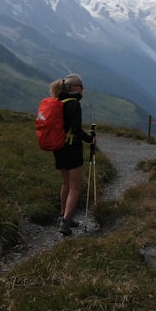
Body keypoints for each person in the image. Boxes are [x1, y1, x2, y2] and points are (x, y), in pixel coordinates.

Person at [51, 73, 96, 235]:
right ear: (73, 88)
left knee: (66, 184)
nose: (83, 89)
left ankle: (64, 215)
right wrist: (90, 139)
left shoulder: (58, 101)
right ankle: (66, 222)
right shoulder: (74, 104)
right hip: (71, 149)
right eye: (81, 86)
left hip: (58, 147)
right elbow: (76, 130)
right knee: (75, 187)